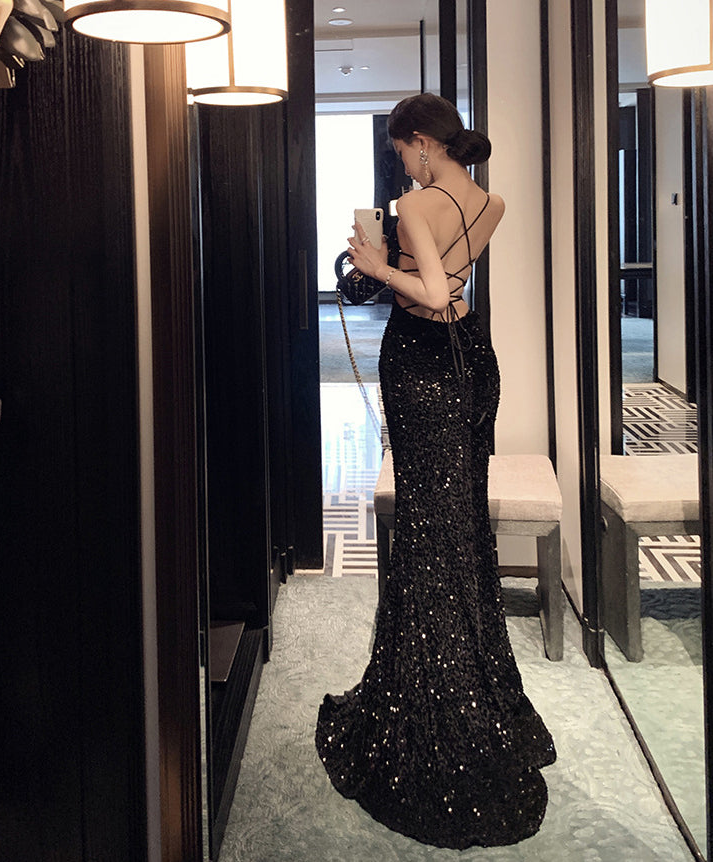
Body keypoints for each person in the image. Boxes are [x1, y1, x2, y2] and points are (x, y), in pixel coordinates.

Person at [315, 93, 556, 850]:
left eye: (401, 152)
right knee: (461, 525)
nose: (403, 165)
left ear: (422, 143)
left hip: (423, 365)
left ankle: (434, 704)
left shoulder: (418, 203)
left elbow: (424, 291)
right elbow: (452, 282)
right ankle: (478, 686)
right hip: (474, 362)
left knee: (427, 530)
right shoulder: (490, 201)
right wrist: (415, 272)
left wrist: (375, 265)